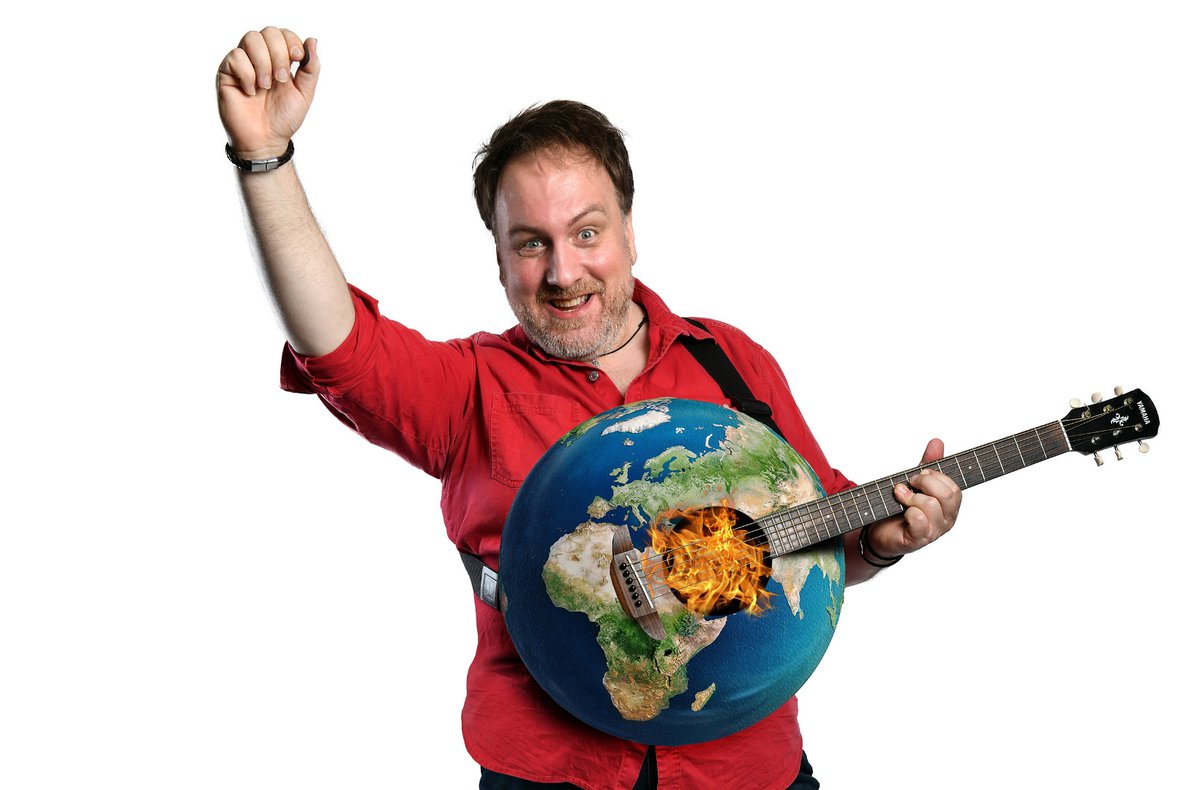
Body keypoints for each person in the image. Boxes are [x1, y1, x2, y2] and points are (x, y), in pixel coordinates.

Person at [217, 27, 962, 790]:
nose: (563, 271)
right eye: (530, 243)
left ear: (629, 232)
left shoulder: (733, 361)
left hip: (746, 769)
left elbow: (818, 542)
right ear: (499, 258)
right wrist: (264, 157)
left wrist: (884, 543)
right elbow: (338, 344)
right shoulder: (468, 388)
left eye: (586, 232)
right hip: (554, 773)